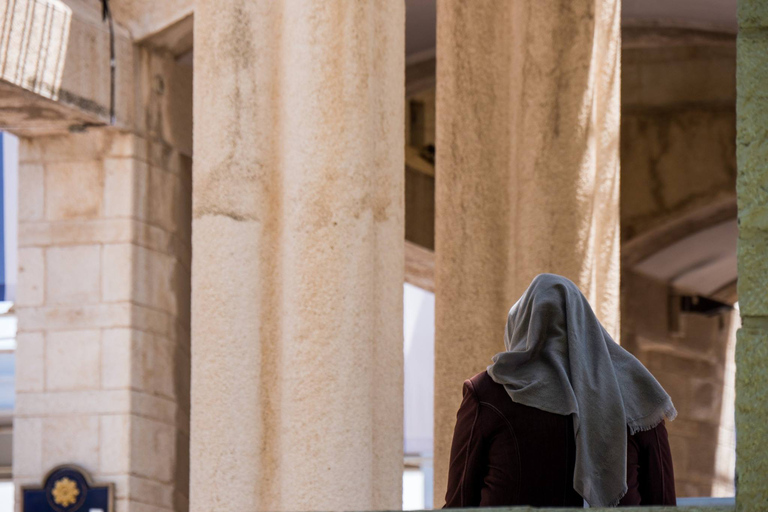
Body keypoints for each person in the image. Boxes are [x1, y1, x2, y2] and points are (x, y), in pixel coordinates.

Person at [444, 274, 677, 508]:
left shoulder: (487, 393)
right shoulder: (637, 393)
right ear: (586, 327)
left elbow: (460, 502)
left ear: (520, 328)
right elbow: (664, 502)